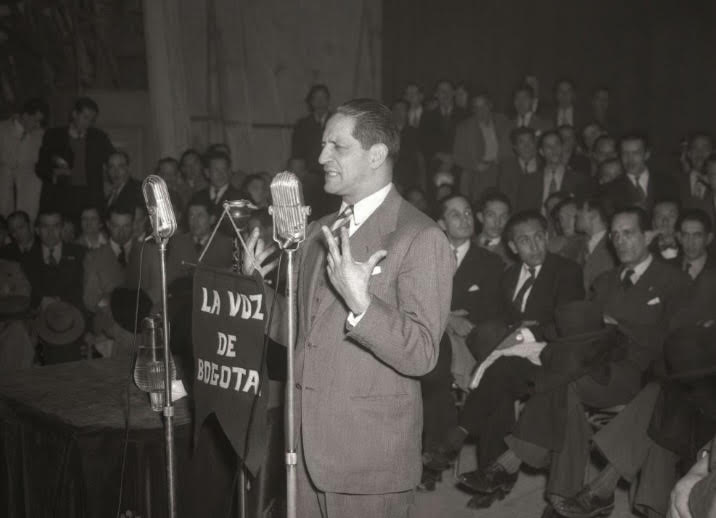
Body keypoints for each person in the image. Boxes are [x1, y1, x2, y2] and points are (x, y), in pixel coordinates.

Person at [243, 98, 454, 517]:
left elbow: (423, 353)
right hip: (302, 451)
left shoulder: (419, 236)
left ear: (376, 155)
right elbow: (299, 331)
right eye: (323, 145)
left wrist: (362, 304)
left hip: (366, 461)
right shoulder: (318, 232)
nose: (321, 157)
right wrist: (255, 292)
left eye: (337, 147)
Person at [419, 193, 504, 491]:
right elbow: (416, 300)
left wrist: (448, 318)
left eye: (468, 212)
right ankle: (436, 453)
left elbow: (491, 311)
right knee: (433, 370)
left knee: (434, 370)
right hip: (433, 336)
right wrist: (446, 317)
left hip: (470, 341)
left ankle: (433, 458)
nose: (465, 219)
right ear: (441, 223)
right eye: (456, 215)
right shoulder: (426, 256)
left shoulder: (491, 262)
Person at [36, 97, 114, 217]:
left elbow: (113, 160)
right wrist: (55, 173)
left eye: (92, 120)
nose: (88, 123)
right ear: (74, 114)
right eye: (85, 117)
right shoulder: (53, 135)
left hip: (90, 197)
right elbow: (40, 167)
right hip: (60, 196)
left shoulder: (99, 137)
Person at [454, 92, 512, 204]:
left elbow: (510, 146)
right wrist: (475, 165)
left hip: (501, 168)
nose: (480, 110)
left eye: (483, 105)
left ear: (490, 105)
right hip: (477, 171)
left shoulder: (503, 121)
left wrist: (502, 159)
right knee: (480, 203)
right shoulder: (464, 127)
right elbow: (457, 156)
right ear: (473, 109)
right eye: (476, 107)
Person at [515, 130, 591, 213]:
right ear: (541, 152)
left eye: (557, 144)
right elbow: (522, 212)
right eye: (548, 146)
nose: (553, 149)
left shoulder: (579, 180)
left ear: (562, 147)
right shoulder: (528, 181)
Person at [23, 208, 85, 309]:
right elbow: (24, 296)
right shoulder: (26, 259)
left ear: (62, 228)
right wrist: (40, 300)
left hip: (73, 317)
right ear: (37, 230)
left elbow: (86, 290)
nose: (50, 232)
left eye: (56, 226)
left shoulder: (80, 254)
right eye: (45, 226)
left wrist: (61, 300)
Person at [0, 97, 48, 219]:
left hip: (28, 199)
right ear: (25, 115)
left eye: (40, 122)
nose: (37, 125)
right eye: (36, 120)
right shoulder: (2, 130)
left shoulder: (41, 135)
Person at [604, 132, 676, 213]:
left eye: (635, 153)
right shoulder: (610, 189)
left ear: (647, 154)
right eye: (625, 153)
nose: (630, 159)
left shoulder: (666, 183)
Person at [167, 199, 233, 283]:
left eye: (200, 216)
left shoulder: (225, 244)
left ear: (212, 219)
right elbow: (170, 277)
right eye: (191, 215)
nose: (194, 221)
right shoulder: (178, 242)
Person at [575, 196, 616, 292]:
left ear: (593, 215)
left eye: (581, 209)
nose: (577, 213)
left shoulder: (613, 247)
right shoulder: (578, 245)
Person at [292, 84, 331, 174]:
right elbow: (297, 152)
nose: (320, 101)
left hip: (331, 171)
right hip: (309, 173)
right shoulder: (302, 125)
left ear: (328, 100)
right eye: (316, 98)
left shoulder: (336, 122)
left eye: (323, 98)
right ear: (311, 101)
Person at [499, 127, 539, 207]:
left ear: (535, 143)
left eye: (530, 141)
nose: (526, 146)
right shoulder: (506, 167)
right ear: (515, 147)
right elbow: (504, 197)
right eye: (521, 142)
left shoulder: (544, 165)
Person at [475, 191, 513, 266]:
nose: (497, 222)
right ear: (480, 217)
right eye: (491, 215)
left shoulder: (511, 253)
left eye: (503, 217)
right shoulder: (467, 245)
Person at [104, 149, 142, 214]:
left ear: (128, 168)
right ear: (107, 170)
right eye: (111, 167)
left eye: (120, 166)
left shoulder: (138, 189)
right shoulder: (112, 193)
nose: (116, 172)